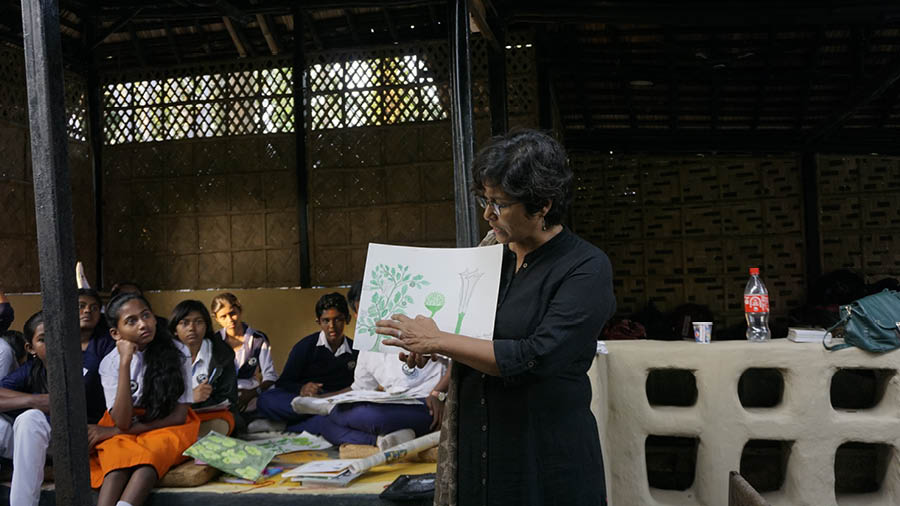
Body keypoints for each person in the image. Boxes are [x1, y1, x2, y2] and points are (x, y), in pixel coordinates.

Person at [376, 129, 615, 506]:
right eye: (485, 200)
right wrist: (430, 347)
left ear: (542, 205)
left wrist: (438, 340)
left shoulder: (585, 267)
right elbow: (469, 336)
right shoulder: (488, 258)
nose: (487, 214)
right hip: (480, 449)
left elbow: (537, 356)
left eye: (499, 203)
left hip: (543, 455)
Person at [291, 282, 448, 448]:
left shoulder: (418, 327)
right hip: (394, 404)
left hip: (427, 404)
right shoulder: (367, 346)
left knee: (370, 416)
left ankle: (337, 414)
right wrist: (324, 399)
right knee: (325, 424)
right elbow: (359, 388)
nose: (375, 315)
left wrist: (438, 393)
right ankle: (384, 441)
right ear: (357, 315)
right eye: (364, 311)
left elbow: (457, 361)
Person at [88, 293, 199, 506]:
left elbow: (178, 416)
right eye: (131, 321)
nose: (143, 324)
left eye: (146, 315)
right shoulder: (110, 364)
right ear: (115, 333)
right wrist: (125, 362)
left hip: (167, 423)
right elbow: (121, 420)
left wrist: (116, 432)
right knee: (117, 464)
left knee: (148, 461)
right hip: (127, 421)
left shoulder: (178, 351)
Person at [255, 292, 358, 431]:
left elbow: (359, 386)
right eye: (326, 320)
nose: (332, 326)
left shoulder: (356, 351)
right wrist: (302, 388)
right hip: (306, 401)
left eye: (337, 319)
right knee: (266, 399)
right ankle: (316, 415)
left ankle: (287, 426)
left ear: (348, 319)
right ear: (318, 322)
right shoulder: (305, 347)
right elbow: (283, 383)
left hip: (335, 402)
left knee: (353, 410)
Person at [0, 312, 52, 506]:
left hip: (85, 437)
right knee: (29, 418)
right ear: (30, 348)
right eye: (43, 339)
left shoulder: (85, 360)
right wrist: (34, 400)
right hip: (41, 442)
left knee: (29, 420)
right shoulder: (32, 368)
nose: (52, 343)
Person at [169, 300, 240, 435]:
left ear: (206, 326)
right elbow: (159, 399)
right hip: (173, 418)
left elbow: (229, 398)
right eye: (184, 323)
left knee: (222, 424)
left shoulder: (222, 355)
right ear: (175, 330)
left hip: (209, 417)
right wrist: (189, 397)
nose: (192, 328)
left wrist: (204, 401)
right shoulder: (164, 356)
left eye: (198, 322)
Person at [211, 293, 277, 412]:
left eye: (232, 313)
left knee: (272, 393)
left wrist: (251, 394)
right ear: (216, 319)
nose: (229, 320)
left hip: (252, 395)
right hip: (223, 398)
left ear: (240, 310)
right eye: (223, 317)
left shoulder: (258, 340)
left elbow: (270, 376)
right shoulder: (214, 342)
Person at [79, 288, 117, 423]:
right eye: (81, 306)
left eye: (94, 308)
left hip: (98, 417)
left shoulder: (108, 343)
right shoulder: (57, 342)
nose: (88, 311)